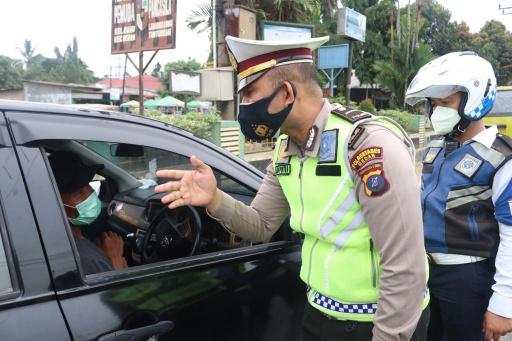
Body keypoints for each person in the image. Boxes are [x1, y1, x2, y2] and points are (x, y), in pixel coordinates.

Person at [155, 35, 429, 341]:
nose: (243, 107)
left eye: (249, 94)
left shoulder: (367, 145)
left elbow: (405, 266)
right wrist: (215, 198)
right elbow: (261, 225)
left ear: (286, 93)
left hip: (377, 324)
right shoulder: (285, 151)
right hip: (317, 313)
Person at [405, 51, 512, 341]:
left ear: (474, 101)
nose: (437, 111)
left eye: (446, 102)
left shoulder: (501, 157)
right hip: (427, 274)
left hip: (469, 278)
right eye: (434, 104)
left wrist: (504, 303)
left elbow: (511, 234)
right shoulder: (435, 150)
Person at [48, 151, 127, 275]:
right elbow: (117, 293)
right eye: (78, 192)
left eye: (88, 185)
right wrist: (114, 260)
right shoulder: (89, 262)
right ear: (55, 203)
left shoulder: (63, 239)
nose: (90, 194)